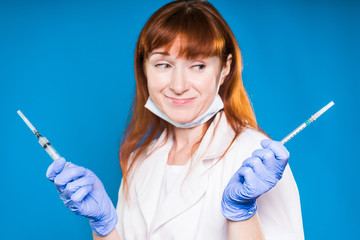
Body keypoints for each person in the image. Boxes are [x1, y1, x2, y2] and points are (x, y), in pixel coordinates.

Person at [46, 0, 304, 239]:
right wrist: (103, 226)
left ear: (225, 68)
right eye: (163, 65)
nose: (178, 86)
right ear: (143, 68)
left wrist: (242, 214)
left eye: (198, 65)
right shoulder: (141, 159)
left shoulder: (257, 158)